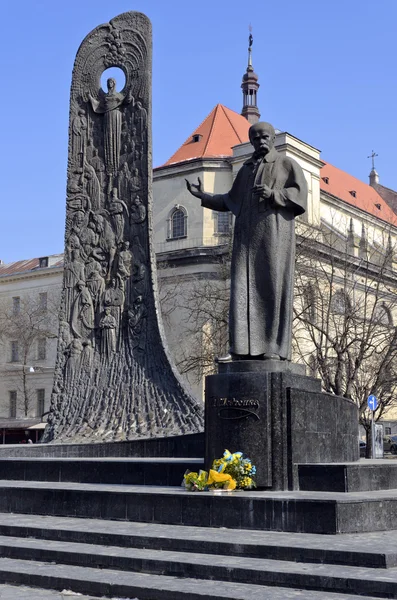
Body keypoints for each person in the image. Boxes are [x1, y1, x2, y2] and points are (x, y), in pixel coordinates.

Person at [186, 121, 307, 362]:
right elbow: (230, 200)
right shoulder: (246, 169)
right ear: (251, 141)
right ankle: (239, 350)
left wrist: (274, 195)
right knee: (241, 289)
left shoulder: (285, 164)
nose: (260, 141)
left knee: (271, 288)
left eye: (265, 137)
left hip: (273, 237)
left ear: (272, 139)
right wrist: (204, 196)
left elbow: (299, 194)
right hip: (245, 238)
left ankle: (273, 348)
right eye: (256, 138)